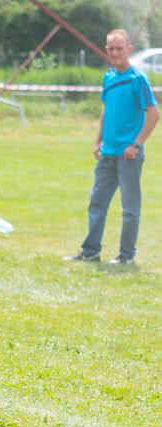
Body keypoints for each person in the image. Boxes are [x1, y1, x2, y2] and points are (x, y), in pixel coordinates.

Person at [65, 29, 158, 265]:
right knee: (97, 203)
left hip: (128, 156)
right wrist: (98, 141)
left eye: (119, 48)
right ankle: (90, 252)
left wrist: (136, 144)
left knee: (129, 209)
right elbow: (106, 111)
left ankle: (126, 256)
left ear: (129, 48)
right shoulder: (108, 77)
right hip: (107, 153)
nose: (115, 52)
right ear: (107, 50)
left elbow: (154, 114)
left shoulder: (138, 79)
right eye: (111, 48)